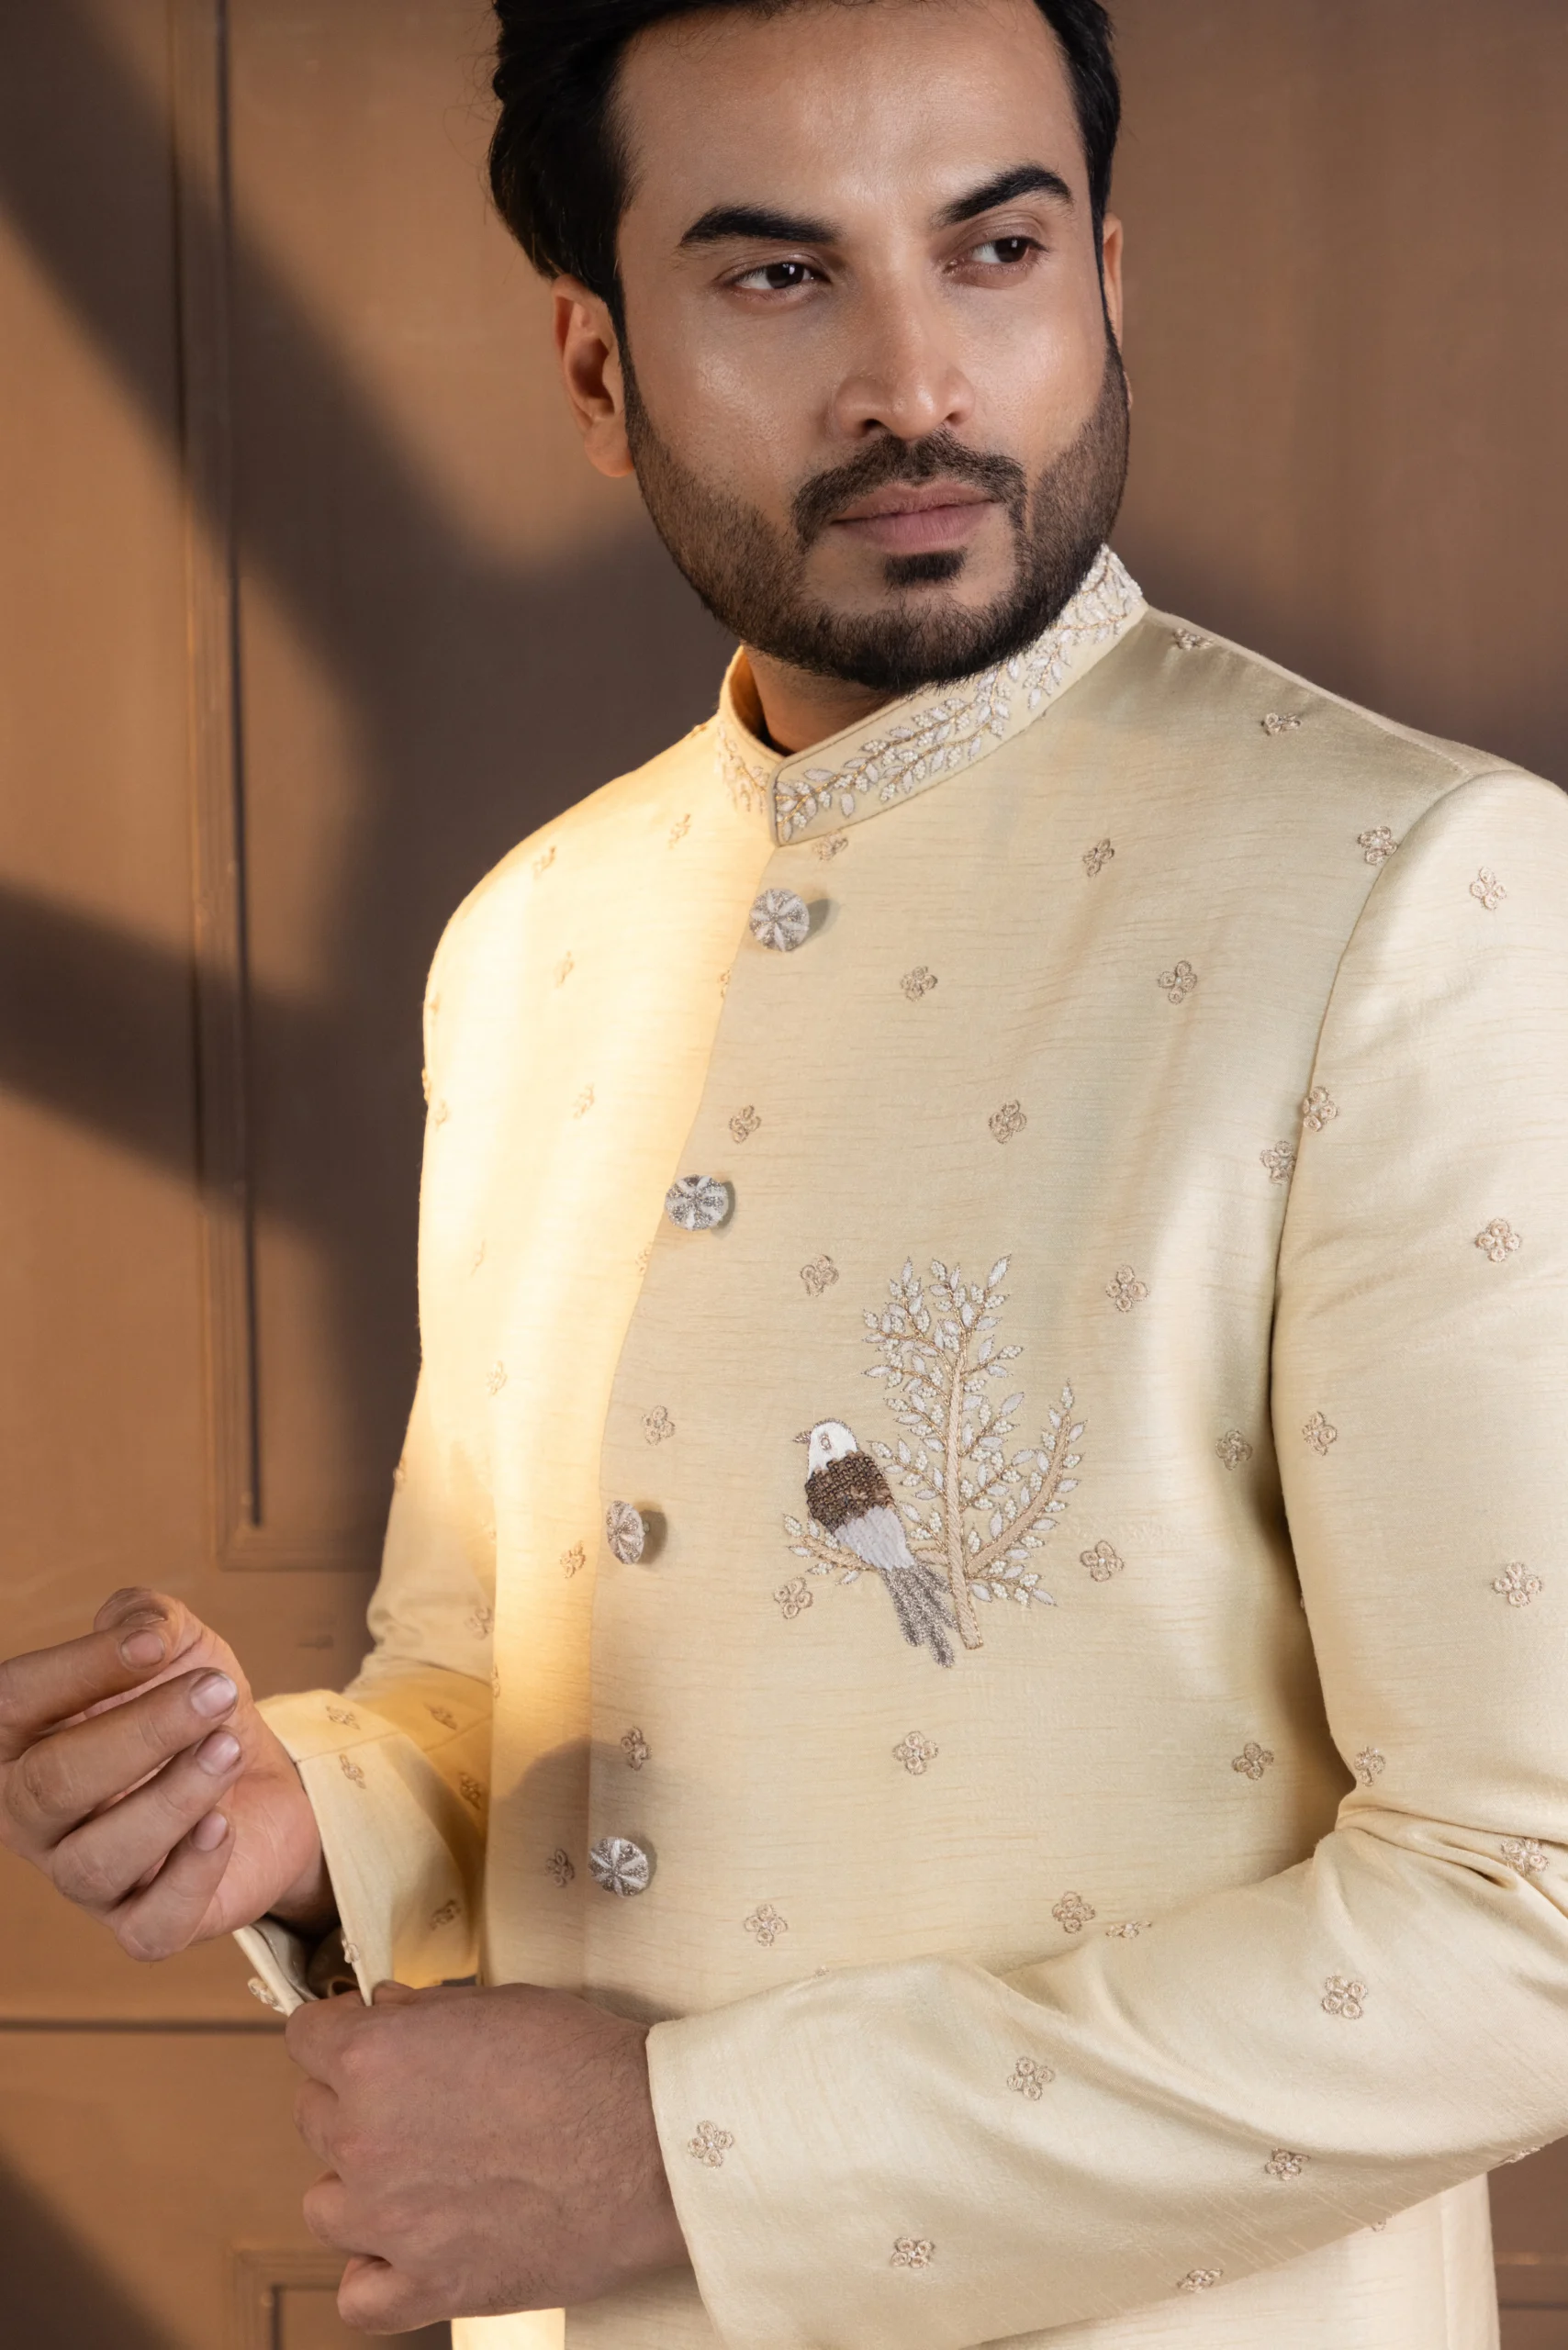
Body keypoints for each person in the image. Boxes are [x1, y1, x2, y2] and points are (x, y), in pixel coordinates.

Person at [2, 0, 1566, 2343]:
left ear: (1104, 277)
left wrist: (672, 2151)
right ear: (595, 364)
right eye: (774, 274)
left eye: (993, 250)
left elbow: (1529, 1904)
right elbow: (489, 1677)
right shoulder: (532, 936)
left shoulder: (1411, 890)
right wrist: (297, 1814)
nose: (911, 385)